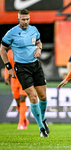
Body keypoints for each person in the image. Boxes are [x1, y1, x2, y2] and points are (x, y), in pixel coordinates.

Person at [0, 9, 49, 137]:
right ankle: (41, 128)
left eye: (27, 19)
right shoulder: (12, 33)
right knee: (33, 97)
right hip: (22, 68)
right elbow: (2, 49)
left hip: (36, 65)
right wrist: (8, 67)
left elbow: (39, 42)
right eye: (23, 19)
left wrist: (39, 48)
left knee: (43, 97)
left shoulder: (34, 30)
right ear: (18, 19)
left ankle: (42, 119)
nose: (26, 22)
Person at [4, 48, 29, 130]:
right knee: (18, 101)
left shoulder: (25, 50)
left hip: (24, 78)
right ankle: (24, 119)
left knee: (22, 99)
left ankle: (20, 123)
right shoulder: (9, 52)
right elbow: (7, 64)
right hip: (14, 80)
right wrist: (6, 77)